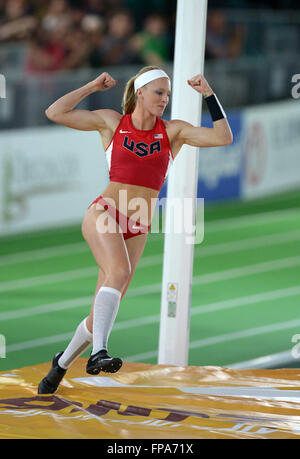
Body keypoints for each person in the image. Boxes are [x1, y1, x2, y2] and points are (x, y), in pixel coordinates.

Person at [38, 65, 233, 394]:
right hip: (106, 212)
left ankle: (61, 364)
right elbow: (55, 112)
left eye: (168, 94)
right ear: (139, 92)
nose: (164, 99)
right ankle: (99, 352)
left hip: (139, 223)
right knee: (118, 273)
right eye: (159, 92)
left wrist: (209, 95)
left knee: (100, 309)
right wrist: (91, 87)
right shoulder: (113, 122)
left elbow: (223, 137)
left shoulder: (173, 132)